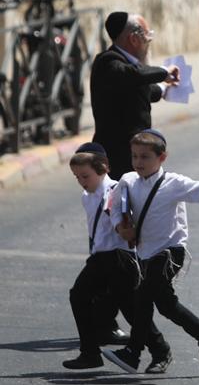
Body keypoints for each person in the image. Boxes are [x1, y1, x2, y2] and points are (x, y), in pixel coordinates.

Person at [102, 130, 199, 374]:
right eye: (135, 156)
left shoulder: (173, 183)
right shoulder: (127, 180)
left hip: (170, 252)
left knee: (143, 298)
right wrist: (120, 226)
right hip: (145, 255)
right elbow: (114, 207)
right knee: (166, 305)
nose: (139, 162)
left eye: (145, 157)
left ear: (162, 157)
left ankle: (133, 353)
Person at [63, 143, 169, 371]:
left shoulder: (114, 191)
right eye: (77, 177)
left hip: (120, 258)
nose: (82, 181)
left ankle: (161, 350)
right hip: (100, 257)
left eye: (85, 176)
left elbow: (125, 224)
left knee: (131, 310)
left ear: (102, 169)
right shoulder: (87, 196)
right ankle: (90, 353)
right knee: (79, 296)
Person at [90, 12, 179, 180]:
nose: (149, 41)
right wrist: (164, 72)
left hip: (137, 154)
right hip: (117, 156)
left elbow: (146, 89)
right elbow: (134, 75)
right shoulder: (108, 62)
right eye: (147, 36)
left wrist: (165, 87)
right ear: (134, 39)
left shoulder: (130, 69)